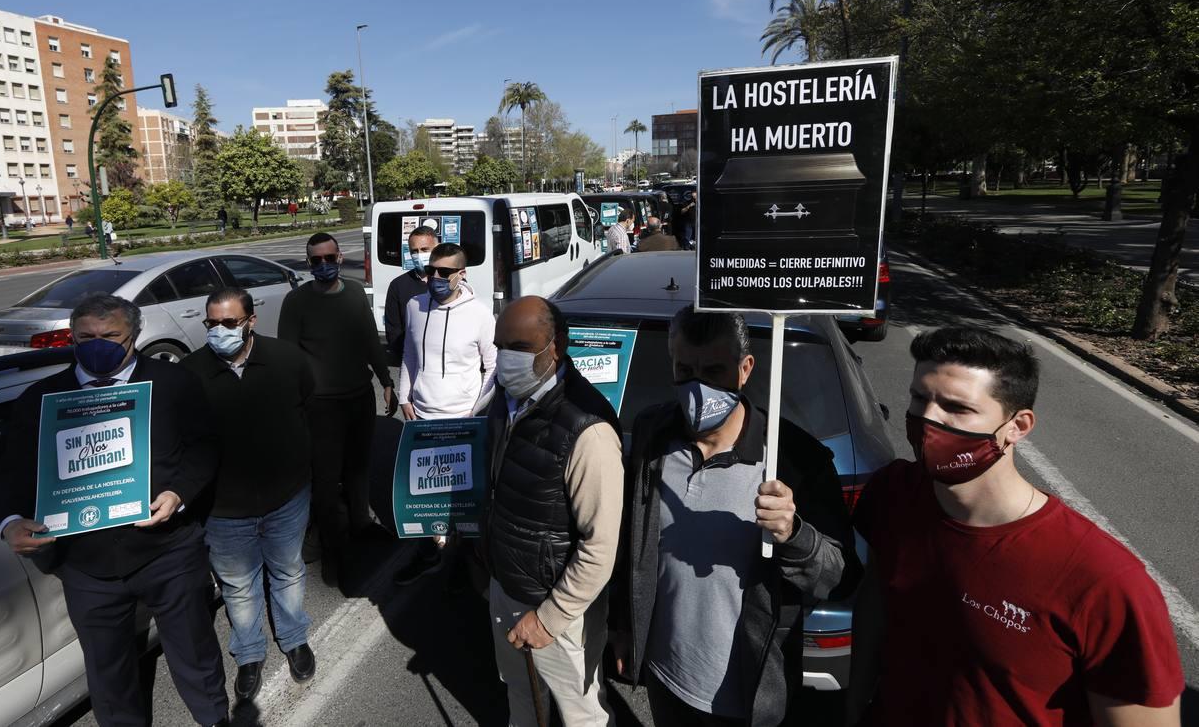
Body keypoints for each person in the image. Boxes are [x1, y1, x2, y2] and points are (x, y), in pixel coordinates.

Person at [846, 326, 1183, 727]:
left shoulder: (1105, 580)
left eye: (957, 407)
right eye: (920, 398)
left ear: (1017, 427)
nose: (927, 419)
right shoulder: (895, 493)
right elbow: (875, 605)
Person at [0, 293, 228, 727]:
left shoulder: (174, 383)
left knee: (195, 653)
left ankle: (215, 719)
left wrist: (178, 493)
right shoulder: (40, 399)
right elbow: (10, 474)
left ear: (134, 335)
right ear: (73, 338)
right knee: (108, 673)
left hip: (168, 553)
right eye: (86, 337)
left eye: (111, 336)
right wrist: (8, 524)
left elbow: (204, 449)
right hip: (86, 566)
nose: (97, 344)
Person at [609, 306, 856, 725]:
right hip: (665, 675)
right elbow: (630, 540)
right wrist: (623, 625)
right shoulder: (653, 432)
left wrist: (795, 535)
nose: (698, 386)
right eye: (684, 369)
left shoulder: (794, 460)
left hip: (748, 695)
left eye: (714, 371)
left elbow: (841, 576)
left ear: (745, 369)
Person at [484, 296, 624, 725]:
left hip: (557, 610)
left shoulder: (588, 430)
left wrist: (548, 620)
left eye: (521, 348)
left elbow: (599, 546)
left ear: (557, 346)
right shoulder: (506, 399)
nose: (507, 358)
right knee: (522, 699)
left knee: (580, 715)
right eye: (500, 345)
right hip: (507, 587)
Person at [181, 288, 318, 703]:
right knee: (239, 587)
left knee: (288, 571)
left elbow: (309, 408)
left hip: (286, 498)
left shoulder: (286, 359)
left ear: (250, 321)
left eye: (229, 323)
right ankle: (249, 653)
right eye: (212, 324)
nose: (219, 331)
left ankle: (293, 638)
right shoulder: (189, 374)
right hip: (223, 510)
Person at [278, 231, 395, 589]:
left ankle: (361, 524)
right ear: (309, 262)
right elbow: (288, 357)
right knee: (326, 481)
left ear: (341, 258)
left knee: (358, 468)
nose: (324, 265)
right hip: (321, 406)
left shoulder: (356, 293)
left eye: (330, 258)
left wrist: (386, 380)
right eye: (317, 261)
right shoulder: (296, 302)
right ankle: (334, 552)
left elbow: (368, 340)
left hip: (359, 397)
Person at [393, 241, 497, 586]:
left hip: (463, 420)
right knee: (426, 497)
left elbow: (492, 367)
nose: (435, 277)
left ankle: (469, 569)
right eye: (431, 271)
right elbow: (409, 352)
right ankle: (429, 555)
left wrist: (475, 411)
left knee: (463, 499)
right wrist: (404, 394)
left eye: (444, 272)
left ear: (461, 274)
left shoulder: (480, 313)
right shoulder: (414, 305)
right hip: (421, 416)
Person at [384, 225, 438, 368]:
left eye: (425, 250)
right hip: (412, 363)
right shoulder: (398, 286)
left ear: (436, 249)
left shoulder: (450, 282)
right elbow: (393, 330)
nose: (419, 255)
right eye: (414, 251)